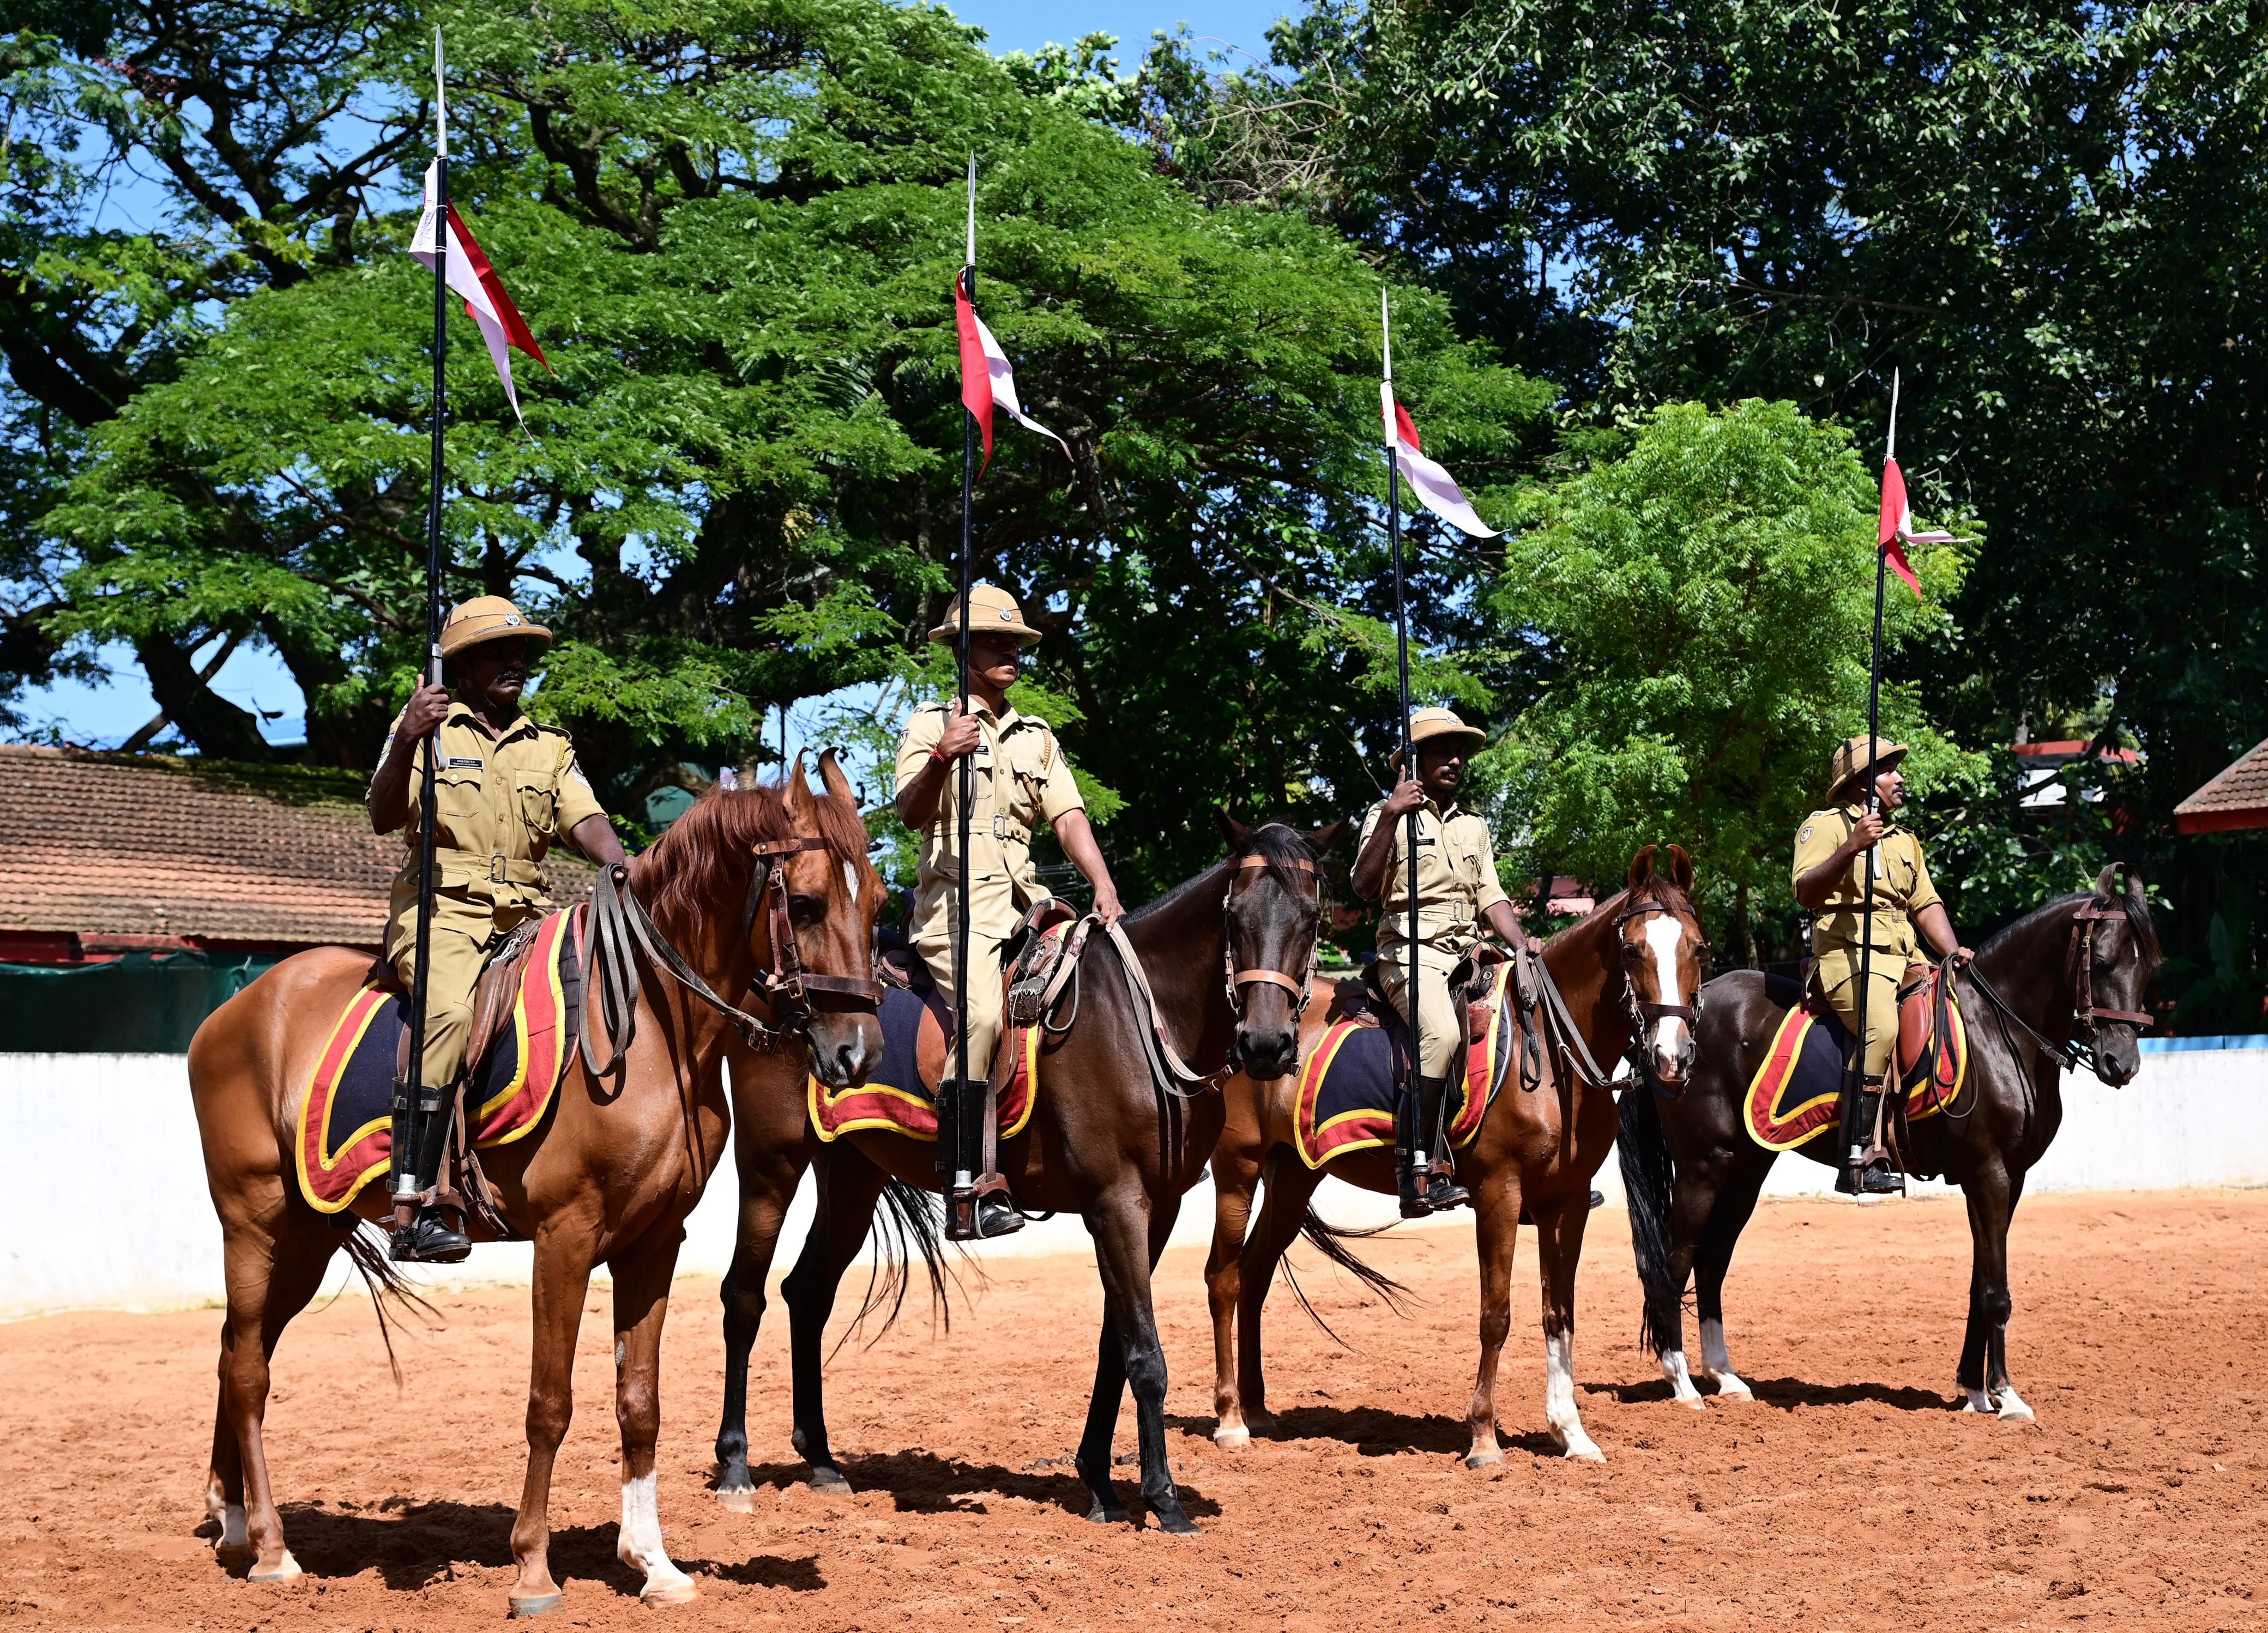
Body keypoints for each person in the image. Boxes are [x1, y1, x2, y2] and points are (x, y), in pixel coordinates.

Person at [367, 596, 628, 1262]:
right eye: (498, 652)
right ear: (459, 664)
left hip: (529, 915)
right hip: (443, 914)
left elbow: (584, 819)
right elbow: (382, 813)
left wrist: (625, 864)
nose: (516, 662)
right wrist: (406, 739)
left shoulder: (549, 746)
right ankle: (413, 1198)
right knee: (449, 1014)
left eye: (522, 653)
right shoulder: (427, 727)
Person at [894, 583, 1125, 1238]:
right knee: (980, 1015)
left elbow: (1069, 815)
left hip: (1028, 904)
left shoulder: (1035, 734)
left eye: (1016, 642)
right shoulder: (927, 723)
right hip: (955, 910)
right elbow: (910, 812)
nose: (1010, 652)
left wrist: (1102, 884)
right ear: (962, 650)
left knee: (1103, 982)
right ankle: (966, 1180)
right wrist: (943, 753)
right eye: (995, 641)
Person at [1352, 707, 1525, 1218]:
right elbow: (1362, 887)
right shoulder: (1387, 816)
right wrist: (1390, 813)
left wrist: (1522, 941)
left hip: (1469, 955)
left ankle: (1527, 1167)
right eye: (1440, 751)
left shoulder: (1474, 824)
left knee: (1534, 1011)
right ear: (1413, 759)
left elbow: (1491, 896)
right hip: (1409, 954)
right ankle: (1418, 1169)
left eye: (1461, 753)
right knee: (1443, 1036)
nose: (1455, 760)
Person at [1792, 735, 1973, 1195]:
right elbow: (1806, 893)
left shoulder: (1905, 841)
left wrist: (1952, 951)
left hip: (1905, 954)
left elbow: (1926, 903)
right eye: (1890, 770)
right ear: (1861, 784)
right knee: (1881, 1027)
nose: (1901, 777)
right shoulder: (1827, 826)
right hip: (1847, 954)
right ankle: (1858, 1154)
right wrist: (1852, 846)